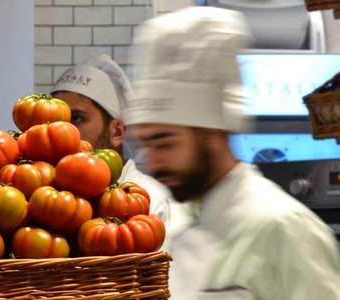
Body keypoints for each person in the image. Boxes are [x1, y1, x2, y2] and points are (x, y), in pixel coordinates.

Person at [123, 6, 340, 300]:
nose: (153, 162)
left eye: (165, 143)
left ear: (213, 134)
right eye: (146, 144)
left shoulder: (285, 230)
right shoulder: (175, 226)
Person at [51, 55, 190, 230]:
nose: (62, 131)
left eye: (77, 118)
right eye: (54, 120)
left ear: (117, 131)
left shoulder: (156, 203)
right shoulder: (46, 202)